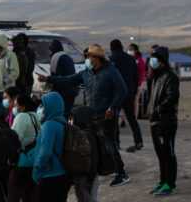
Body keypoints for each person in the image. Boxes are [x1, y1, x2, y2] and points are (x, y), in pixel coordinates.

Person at [40, 44, 130, 187]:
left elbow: (122, 91)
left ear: (97, 57)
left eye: (89, 57)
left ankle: (121, 173)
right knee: (94, 143)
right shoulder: (86, 73)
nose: (86, 59)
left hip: (107, 115)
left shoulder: (110, 72)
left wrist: (112, 107)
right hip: (91, 114)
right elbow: (69, 80)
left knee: (108, 143)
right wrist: (49, 79)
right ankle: (104, 167)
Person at [30, 92, 71, 202]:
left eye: (43, 105)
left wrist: (36, 171)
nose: (41, 109)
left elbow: (45, 153)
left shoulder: (49, 126)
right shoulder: (62, 123)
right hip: (62, 176)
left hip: (49, 176)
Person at [5, 93, 40, 202]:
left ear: (23, 106)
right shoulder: (36, 116)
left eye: (17, 104)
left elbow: (13, 138)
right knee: (30, 197)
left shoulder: (21, 117)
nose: (14, 107)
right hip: (34, 162)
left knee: (13, 197)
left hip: (21, 163)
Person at [146, 47, 180, 196]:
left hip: (166, 122)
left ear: (162, 61)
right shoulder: (156, 77)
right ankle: (162, 181)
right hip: (155, 121)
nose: (152, 61)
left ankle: (169, 184)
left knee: (168, 153)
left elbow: (172, 97)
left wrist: (158, 109)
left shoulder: (170, 77)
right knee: (160, 154)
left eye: (155, 59)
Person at [68, 105, 100, 202]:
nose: (71, 120)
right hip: (82, 176)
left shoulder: (87, 134)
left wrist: (89, 176)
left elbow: (92, 159)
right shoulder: (84, 132)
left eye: (73, 117)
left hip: (87, 177)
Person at [110, 39, 143, 153]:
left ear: (112, 48)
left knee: (114, 120)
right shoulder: (130, 59)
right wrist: (133, 92)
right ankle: (138, 141)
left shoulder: (111, 59)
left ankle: (116, 143)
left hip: (116, 94)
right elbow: (136, 76)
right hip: (129, 93)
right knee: (131, 118)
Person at [47, 39, 77, 117]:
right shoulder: (67, 56)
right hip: (72, 91)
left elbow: (54, 78)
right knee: (66, 114)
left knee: (60, 115)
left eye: (50, 50)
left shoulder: (55, 57)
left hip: (62, 92)